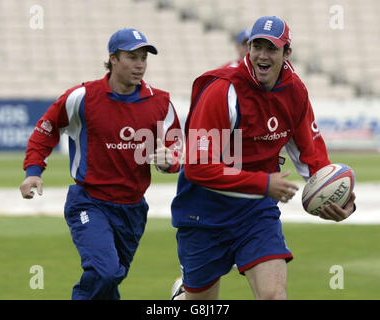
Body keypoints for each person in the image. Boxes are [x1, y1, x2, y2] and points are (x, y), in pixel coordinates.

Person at [170, 16, 356, 300]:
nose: (262, 55)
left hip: (256, 213)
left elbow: (312, 156)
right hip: (203, 213)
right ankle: (181, 295)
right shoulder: (223, 91)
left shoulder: (295, 92)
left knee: (273, 296)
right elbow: (197, 167)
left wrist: (341, 199)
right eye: (257, 46)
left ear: (286, 53)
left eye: (271, 48)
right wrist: (262, 183)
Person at [19, 28, 183, 300]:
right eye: (132, 57)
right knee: (105, 272)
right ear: (113, 58)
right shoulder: (82, 97)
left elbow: (176, 146)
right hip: (89, 202)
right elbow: (46, 129)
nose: (140, 64)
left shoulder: (161, 102)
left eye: (144, 58)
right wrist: (33, 171)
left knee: (108, 283)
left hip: (133, 210)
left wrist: (170, 160)